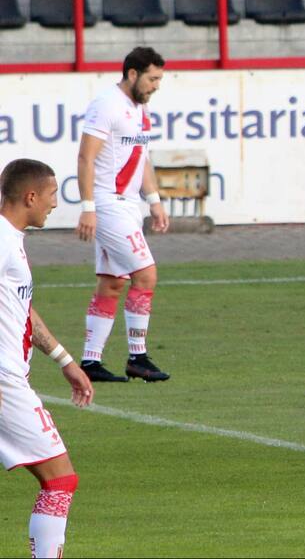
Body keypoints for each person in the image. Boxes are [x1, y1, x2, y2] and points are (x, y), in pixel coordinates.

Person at [0, 159, 94, 557]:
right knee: (59, 479)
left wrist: (63, 358)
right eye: (53, 195)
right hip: (4, 382)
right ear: (30, 196)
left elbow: (22, 310)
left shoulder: (11, 240)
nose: (56, 204)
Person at [76, 46, 170, 383]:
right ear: (133, 74)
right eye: (153, 78)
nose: (157, 85)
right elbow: (86, 157)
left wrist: (154, 200)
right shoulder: (106, 105)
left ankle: (90, 361)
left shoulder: (141, 109)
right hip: (107, 203)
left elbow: (141, 156)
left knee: (113, 283)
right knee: (145, 275)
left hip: (128, 205)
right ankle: (138, 357)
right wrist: (88, 207)